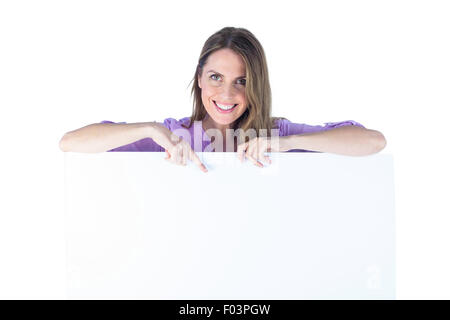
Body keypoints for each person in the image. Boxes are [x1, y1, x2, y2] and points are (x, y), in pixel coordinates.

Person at [59, 27, 386, 173]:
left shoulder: (276, 135)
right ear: (200, 77)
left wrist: (288, 144)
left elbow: (373, 142)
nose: (227, 94)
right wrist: (150, 129)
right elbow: (71, 142)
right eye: (216, 77)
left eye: (241, 81)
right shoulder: (176, 136)